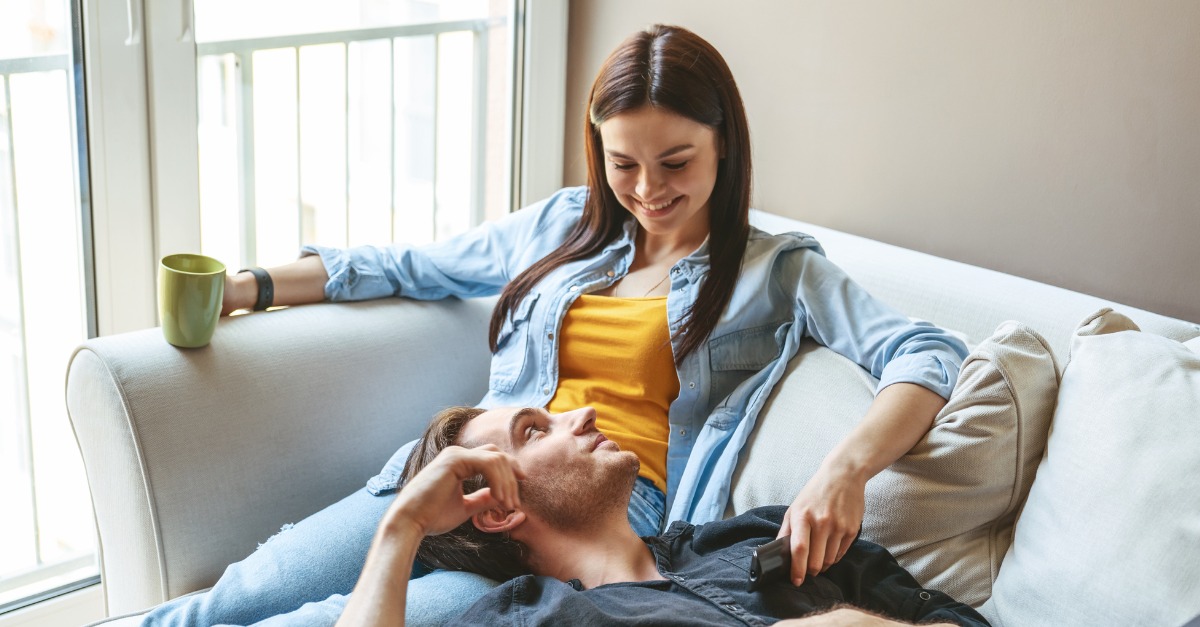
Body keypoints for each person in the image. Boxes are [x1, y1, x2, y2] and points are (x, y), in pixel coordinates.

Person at [145, 23, 968, 626]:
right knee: (235, 599)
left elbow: (925, 351)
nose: (647, 189)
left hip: (596, 514)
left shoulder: (774, 271)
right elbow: (412, 265)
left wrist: (844, 470)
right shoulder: (565, 227)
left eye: (675, 161)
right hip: (472, 468)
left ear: (724, 145)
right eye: (623, 164)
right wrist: (248, 286)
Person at [335, 405, 989, 626]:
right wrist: (403, 527)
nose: (581, 414)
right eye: (536, 431)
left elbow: (950, 617)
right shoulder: (528, 617)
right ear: (496, 508)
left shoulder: (768, 531)